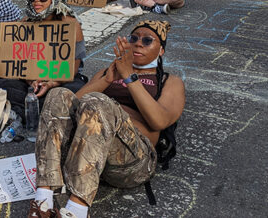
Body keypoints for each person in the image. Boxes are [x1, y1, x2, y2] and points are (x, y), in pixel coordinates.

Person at [30, 20, 184, 218]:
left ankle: (77, 210)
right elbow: (69, 109)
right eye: (134, 38)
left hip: (132, 162)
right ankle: (42, 200)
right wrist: (107, 80)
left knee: (99, 102)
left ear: (161, 51)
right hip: (87, 155)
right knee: (58, 94)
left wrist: (130, 76)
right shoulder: (107, 72)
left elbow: (159, 122)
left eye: (147, 40)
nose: (138, 44)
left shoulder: (169, 81)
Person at [0, 0, 88, 115]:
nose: (36, 0)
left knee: (77, 90)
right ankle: (43, 109)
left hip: (61, 80)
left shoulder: (71, 25)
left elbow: (73, 68)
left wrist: (51, 83)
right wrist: (31, 81)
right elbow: (20, 63)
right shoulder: (25, 23)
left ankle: (34, 108)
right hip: (31, 80)